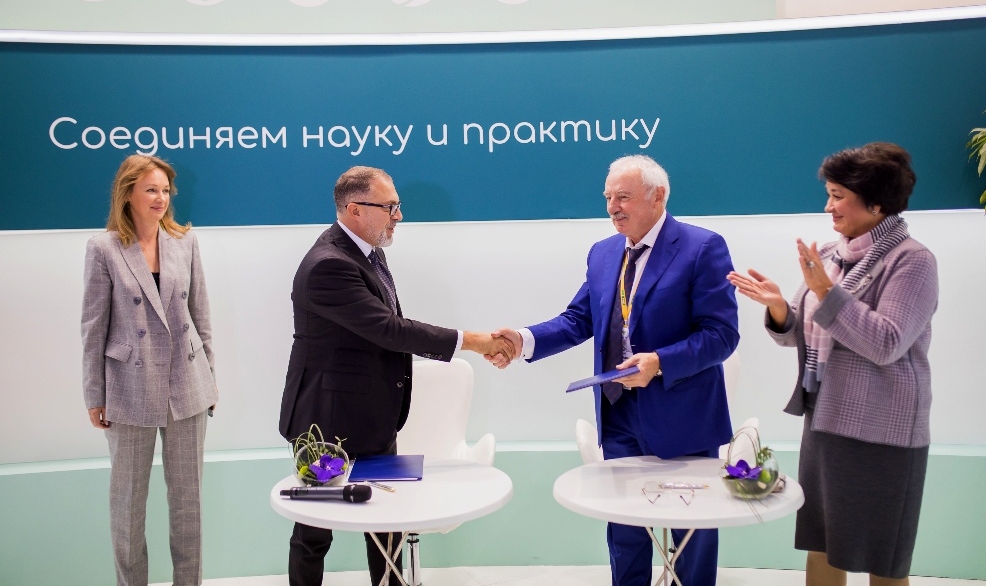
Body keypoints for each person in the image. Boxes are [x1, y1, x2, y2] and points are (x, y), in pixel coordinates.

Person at [491, 155, 739, 586]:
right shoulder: (604, 253)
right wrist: (523, 340)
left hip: (684, 416)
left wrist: (659, 363)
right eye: (608, 197)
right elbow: (578, 319)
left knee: (692, 534)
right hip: (618, 413)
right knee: (625, 531)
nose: (612, 208)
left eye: (623, 197)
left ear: (658, 196)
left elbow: (721, 335)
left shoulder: (702, 247)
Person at [278, 166, 513, 586]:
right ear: (354, 209)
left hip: (374, 416)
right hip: (328, 424)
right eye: (390, 207)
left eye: (397, 205)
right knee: (314, 530)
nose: (398, 215)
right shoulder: (328, 265)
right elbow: (389, 330)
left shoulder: (368, 252)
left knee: (387, 524)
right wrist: (474, 341)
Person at [727, 142, 936, 586]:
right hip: (824, 420)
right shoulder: (828, 255)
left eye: (838, 196)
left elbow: (886, 342)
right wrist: (780, 308)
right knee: (821, 544)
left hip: (883, 432)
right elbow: (808, 334)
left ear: (876, 202)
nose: (828, 207)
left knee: (884, 556)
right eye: (829, 194)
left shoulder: (913, 261)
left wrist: (825, 291)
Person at [82, 155, 218, 586]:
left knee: (188, 505)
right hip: (128, 387)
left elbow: (201, 315)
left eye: (165, 190)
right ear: (128, 194)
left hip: (186, 386)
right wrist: (94, 395)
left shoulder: (185, 242)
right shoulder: (103, 248)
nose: (161, 198)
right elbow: (93, 327)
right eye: (151, 190)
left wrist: (210, 381)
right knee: (127, 507)